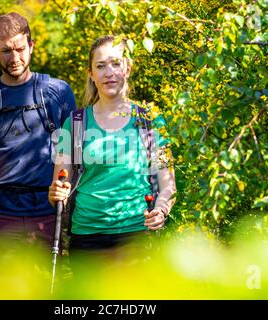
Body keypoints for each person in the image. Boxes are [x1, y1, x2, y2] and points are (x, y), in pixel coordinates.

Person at [48, 35, 176, 267]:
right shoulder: (75, 123)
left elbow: (168, 185)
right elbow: (58, 190)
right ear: (91, 74)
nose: (109, 73)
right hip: (86, 239)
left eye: (116, 63)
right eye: (100, 66)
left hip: (137, 236)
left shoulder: (150, 120)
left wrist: (161, 210)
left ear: (127, 68)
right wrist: (57, 192)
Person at [0, 12, 76, 249]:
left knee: (45, 284)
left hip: (47, 211)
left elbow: (74, 154)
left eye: (20, 49)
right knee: (0, 285)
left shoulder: (59, 92)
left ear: (31, 46)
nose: (14, 57)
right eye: (6, 51)